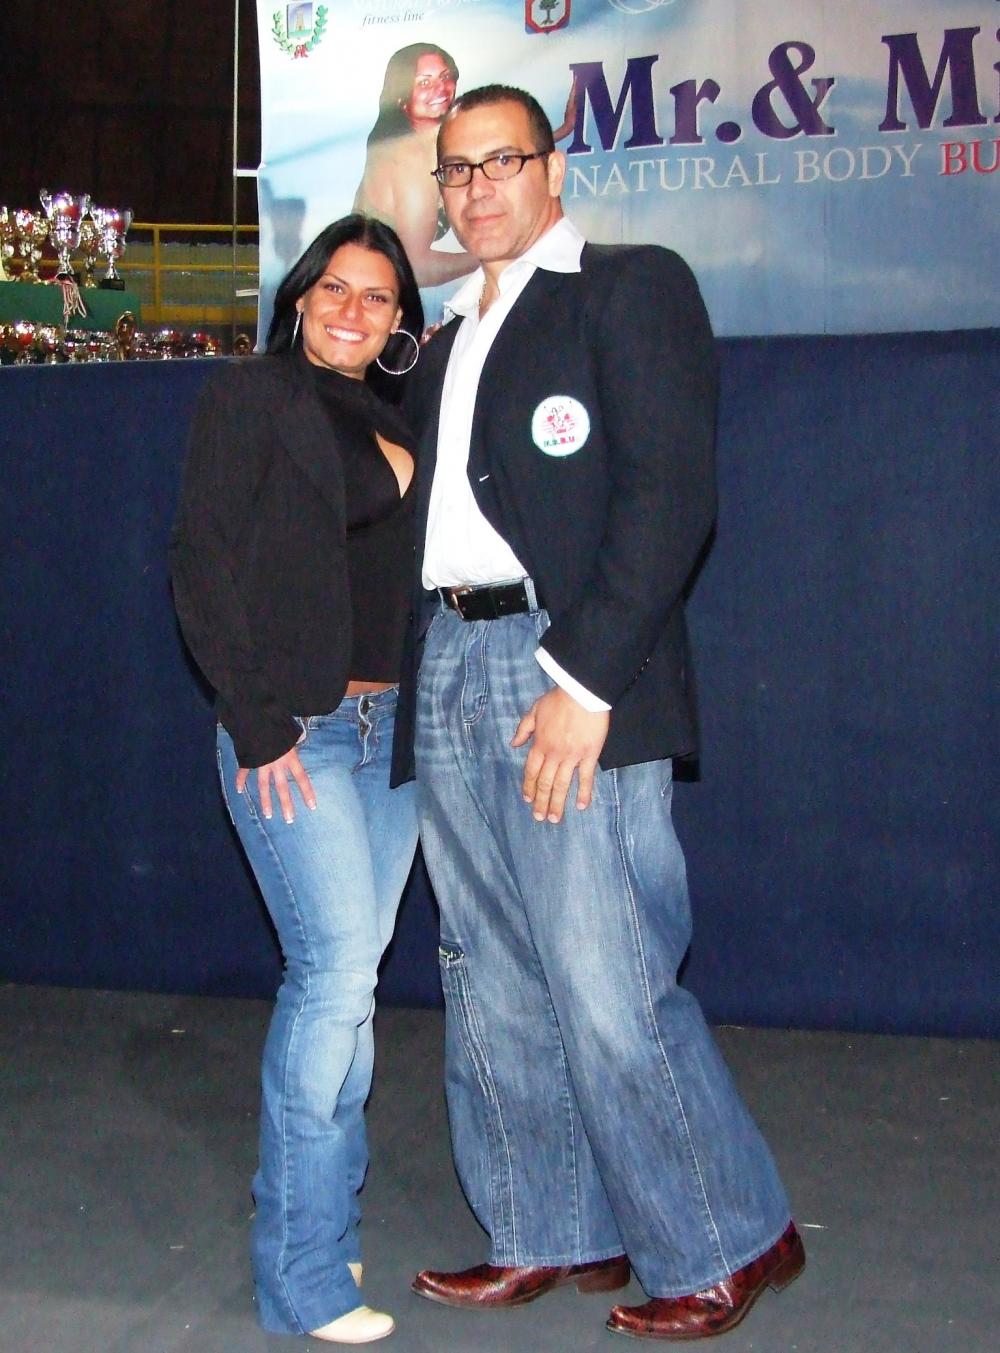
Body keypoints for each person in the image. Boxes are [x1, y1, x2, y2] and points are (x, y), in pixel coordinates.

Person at [394, 86, 805, 1342]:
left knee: (607, 971)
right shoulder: (448, 334)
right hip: (451, 659)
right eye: (457, 171)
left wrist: (583, 683)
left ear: (553, 168)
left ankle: (732, 1237)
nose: (476, 189)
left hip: (563, 667)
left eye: (500, 162)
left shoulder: (628, 287)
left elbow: (670, 497)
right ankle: (549, 1229)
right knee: (489, 974)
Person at [170, 214, 423, 1345]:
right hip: (298, 736)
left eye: (378, 296)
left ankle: (324, 1220)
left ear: (400, 319)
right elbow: (200, 562)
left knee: (351, 986)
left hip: (392, 738)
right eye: (335, 288)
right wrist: (258, 725)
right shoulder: (253, 396)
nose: (353, 310)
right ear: (301, 295)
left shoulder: (400, 412)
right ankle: (301, 1271)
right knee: (331, 980)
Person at [353, 44, 578, 295]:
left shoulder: (425, 137)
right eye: (424, 83)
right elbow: (417, 267)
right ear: (400, 96)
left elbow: (491, 148)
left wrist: (563, 130)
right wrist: (500, 250)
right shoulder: (410, 159)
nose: (440, 89)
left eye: (445, 77)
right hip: (372, 296)